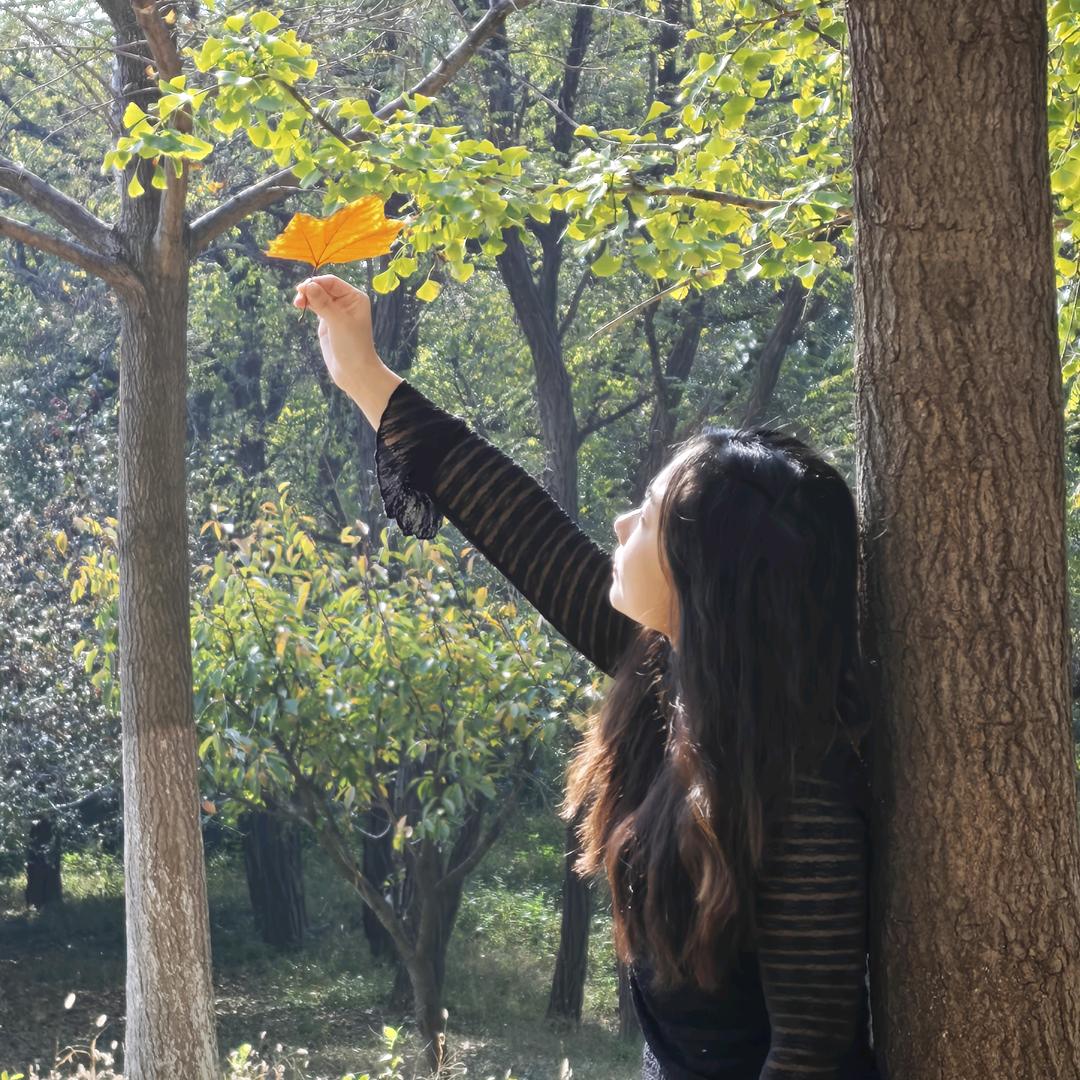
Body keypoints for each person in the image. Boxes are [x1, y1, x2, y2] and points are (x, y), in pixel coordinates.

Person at [294, 274, 880, 1080]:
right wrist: (362, 371)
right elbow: (516, 520)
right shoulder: (672, 676)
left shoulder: (802, 795)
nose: (621, 522)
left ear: (705, 579)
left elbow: (810, 1057)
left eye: (649, 514)